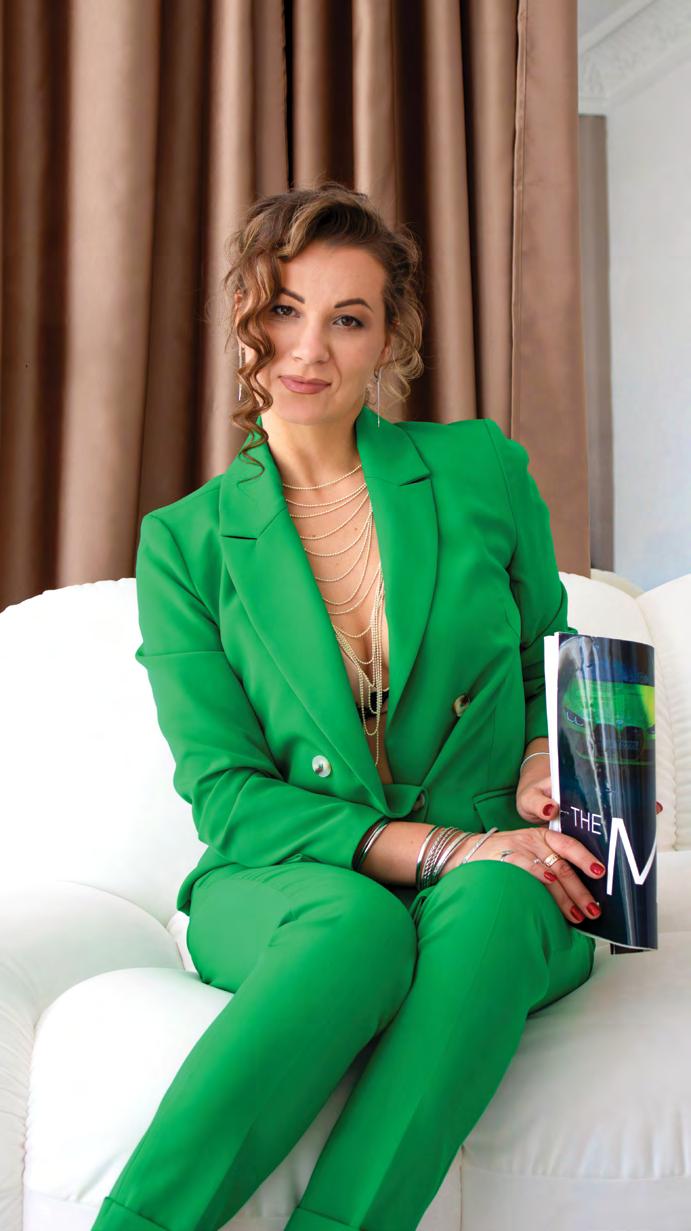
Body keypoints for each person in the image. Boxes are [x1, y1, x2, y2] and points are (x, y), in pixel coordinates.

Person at [91, 180, 660, 1231]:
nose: (308, 348)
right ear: (245, 318)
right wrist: (441, 847)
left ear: (388, 340)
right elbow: (225, 791)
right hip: (287, 877)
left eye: (346, 319)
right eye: (283, 309)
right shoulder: (186, 540)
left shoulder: (479, 469)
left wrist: (549, 761)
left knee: (495, 901)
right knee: (354, 927)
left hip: (502, 871)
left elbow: (553, 666)